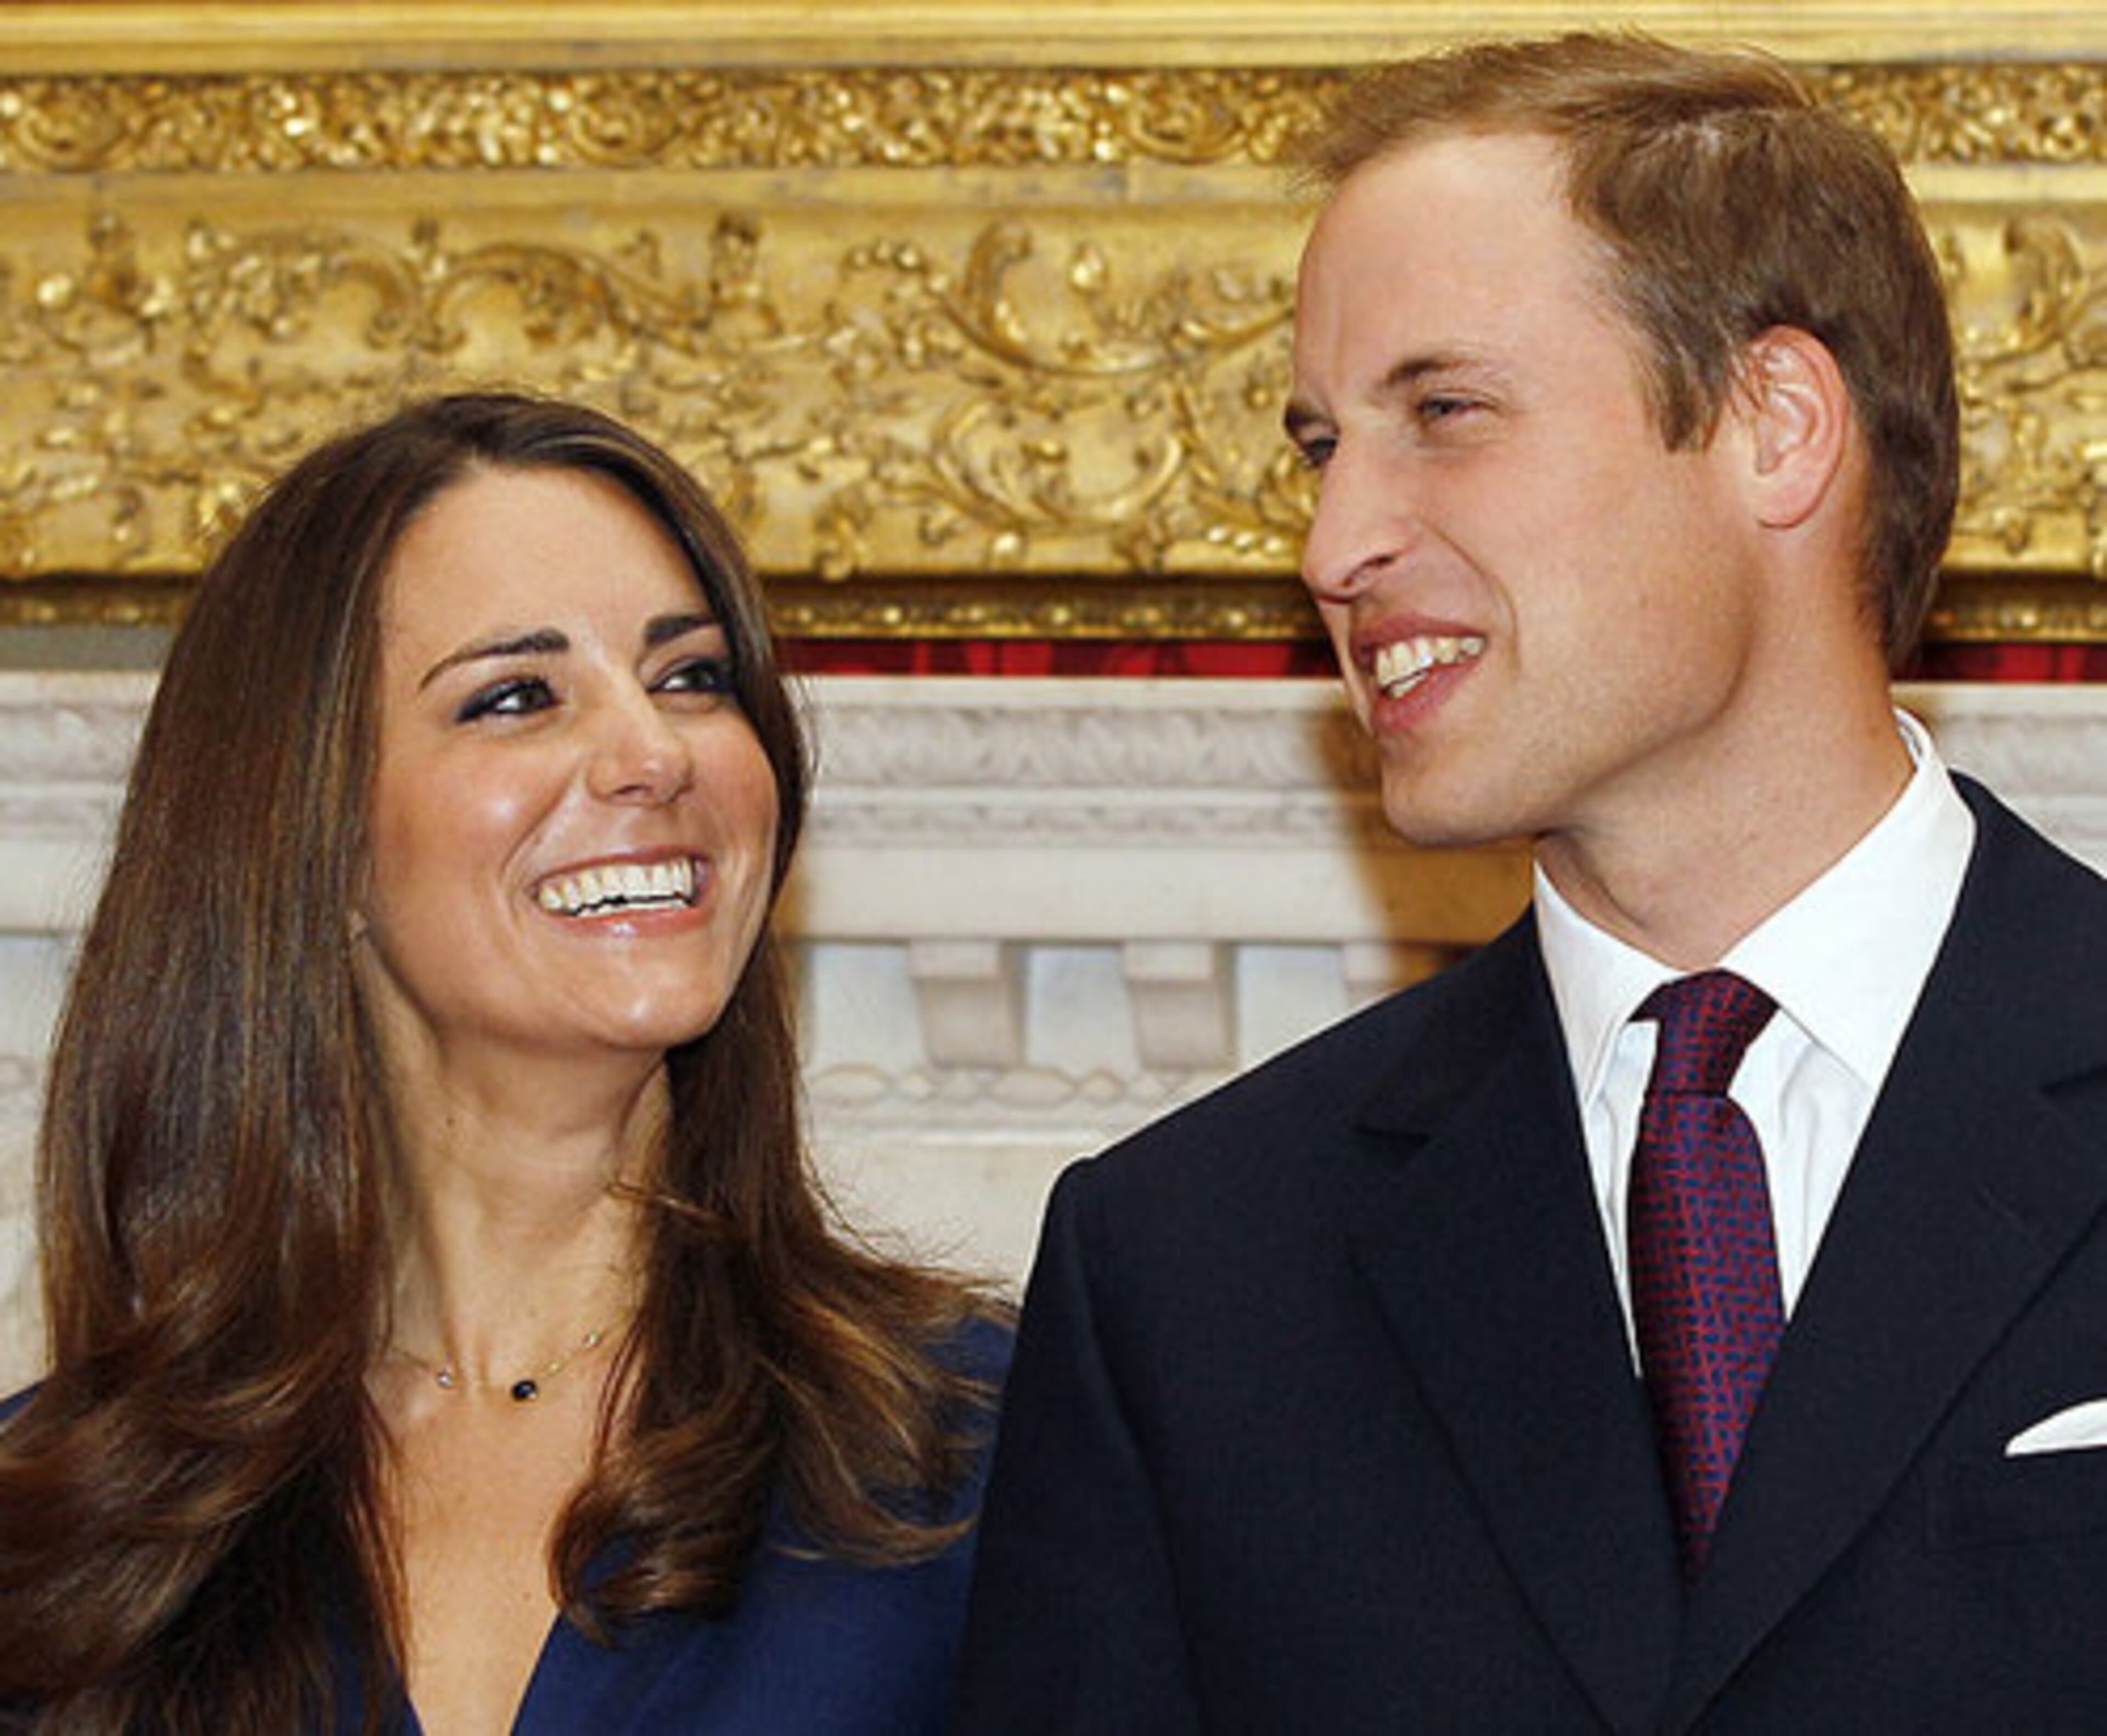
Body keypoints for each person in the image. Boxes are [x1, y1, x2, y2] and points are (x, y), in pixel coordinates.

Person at [950, 31, 2107, 1735]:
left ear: (1776, 426)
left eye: (1444, 413)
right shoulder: (1184, 1269)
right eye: (1321, 445)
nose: (1332, 547)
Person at [0, 392, 1005, 1734]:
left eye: (693, 677)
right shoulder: (60, 1523)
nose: (653, 754)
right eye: (517, 696)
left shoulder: (982, 1446)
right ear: (311, 835)